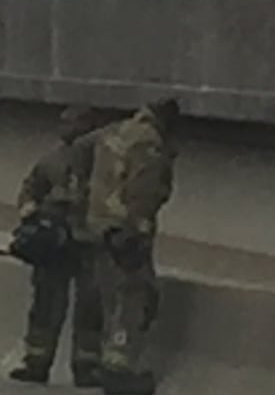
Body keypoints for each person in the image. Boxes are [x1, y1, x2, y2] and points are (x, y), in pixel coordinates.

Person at [9, 106, 112, 387]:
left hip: (90, 241)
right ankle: (36, 361)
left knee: (91, 305)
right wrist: (31, 211)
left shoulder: (104, 161)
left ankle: (86, 365)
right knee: (46, 303)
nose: (66, 128)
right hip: (55, 242)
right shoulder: (51, 160)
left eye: (74, 122)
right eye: (64, 123)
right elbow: (30, 190)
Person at [84, 98, 180, 395]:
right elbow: (145, 189)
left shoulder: (113, 132)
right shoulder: (149, 141)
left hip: (100, 226)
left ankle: (104, 359)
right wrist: (137, 229)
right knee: (136, 296)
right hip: (126, 229)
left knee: (110, 295)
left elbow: (78, 156)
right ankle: (120, 368)